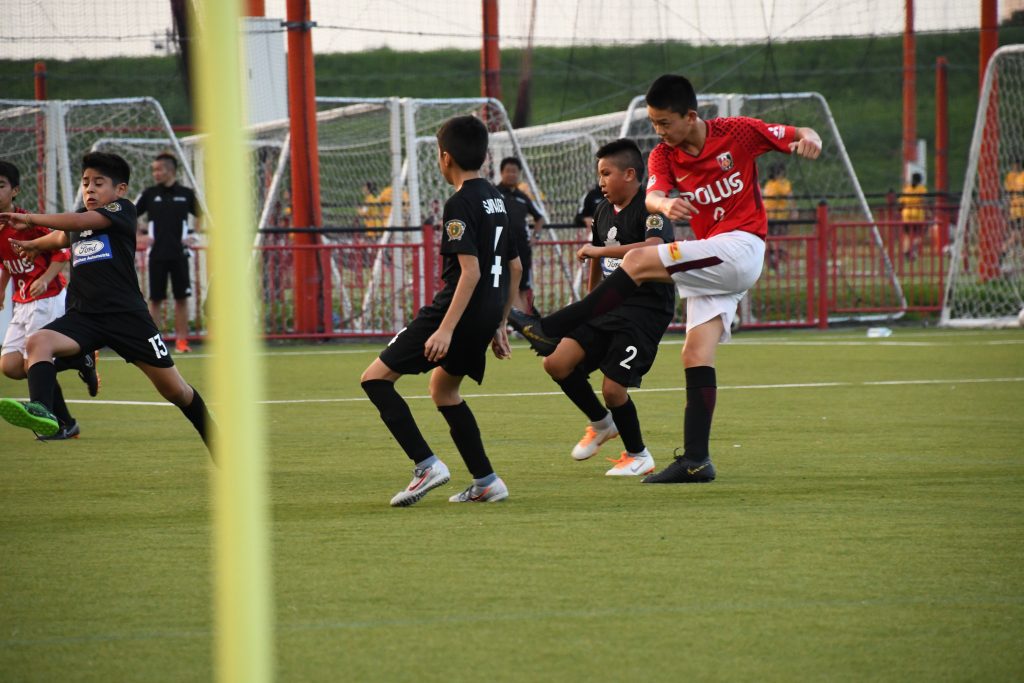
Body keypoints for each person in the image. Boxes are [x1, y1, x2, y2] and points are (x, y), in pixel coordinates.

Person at [511, 74, 822, 483]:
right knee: (694, 355)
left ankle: (550, 328)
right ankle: (696, 460)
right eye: (653, 123)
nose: (658, 131)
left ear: (690, 116)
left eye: (664, 123)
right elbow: (654, 193)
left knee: (639, 258)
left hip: (743, 245)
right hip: (719, 262)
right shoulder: (663, 155)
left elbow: (802, 131)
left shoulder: (739, 132)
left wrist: (810, 139)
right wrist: (666, 201)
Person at [0, 152, 212, 455]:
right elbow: (62, 235)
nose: (89, 189)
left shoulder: (122, 210)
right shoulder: (79, 222)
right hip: (85, 317)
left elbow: (77, 221)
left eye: (98, 183)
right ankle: (44, 411)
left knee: (175, 390)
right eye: (86, 183)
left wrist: (30, 218)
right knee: (38, 342)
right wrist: (33, 244)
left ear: (120, 189)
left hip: (128, 319)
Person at [360, 115, 522, 507]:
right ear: (484, 157)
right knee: (444, 389)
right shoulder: (499, 200)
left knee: (375, 379)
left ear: (444, 157)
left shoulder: (459, 202)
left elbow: (470, 272)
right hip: (486, 314)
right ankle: (486, 480)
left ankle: (425, 465)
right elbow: (514, 267)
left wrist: (445, 329)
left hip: (456, 311)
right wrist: (500, 324)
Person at [520, 139, 675, 477]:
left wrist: (597, 253)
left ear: (630, 174)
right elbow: (595, 256)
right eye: (599, 174)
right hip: (607, 307)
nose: (601, 181)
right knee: (556, 362)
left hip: (644, 311)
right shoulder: (603, 210)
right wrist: (589, 305)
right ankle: (602, 423)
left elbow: (652, 250)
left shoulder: (652, 208)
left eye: (607, 173)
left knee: (612, 388)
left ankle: (639, 455)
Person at [0, 160, 99, 441]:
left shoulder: (26, 222)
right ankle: (81, 360)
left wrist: (45, 277)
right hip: (22, 301)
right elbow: (7, 262)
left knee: (35, 361)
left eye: (1, 185)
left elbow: (61, 253)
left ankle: (60, 424)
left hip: (48, 297)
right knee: (9, 366)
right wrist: (2, 288)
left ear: (15, 190)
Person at [135, 152, 201, 353]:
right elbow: (130, 215)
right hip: (156, 255)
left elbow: (201, 216)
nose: (155, 173)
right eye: (153, 170)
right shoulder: (149, 194)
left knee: (181, 298)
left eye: (159, 169)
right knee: (155, 299)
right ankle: (155, 342)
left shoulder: (186, 194)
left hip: (180, 255)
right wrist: (140, 235)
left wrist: (194, 235)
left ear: (170, 170)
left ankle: (182, 342)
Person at [496, 157, 545, 315]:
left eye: (514, 171)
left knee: (523, 287)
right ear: (501, 173)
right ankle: (512, 322)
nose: (511, 174)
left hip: (522, 249)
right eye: (508, 171)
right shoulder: (493, 193)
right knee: (502, 285)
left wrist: (535, 237)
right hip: (500, 248)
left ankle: (522, 323)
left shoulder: (522, 197)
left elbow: (540, 217)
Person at [762, 163, 794, 271]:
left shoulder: (780, 184)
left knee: (777, 242)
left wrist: (793, 210)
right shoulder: (771, 184)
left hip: (778, 217)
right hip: (770, 217)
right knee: (771, 242)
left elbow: (789, 197)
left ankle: (778, 263)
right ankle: (773, 263)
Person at [898, 172, 927, 261]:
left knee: (907, 235)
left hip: (906, 214)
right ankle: (912, 246)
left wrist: (901, 211)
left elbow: (901, 202)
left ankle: (906, 250)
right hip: (917, 214)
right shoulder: (922, 189)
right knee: (921, 234)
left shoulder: (906, 189)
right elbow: (923, 201)